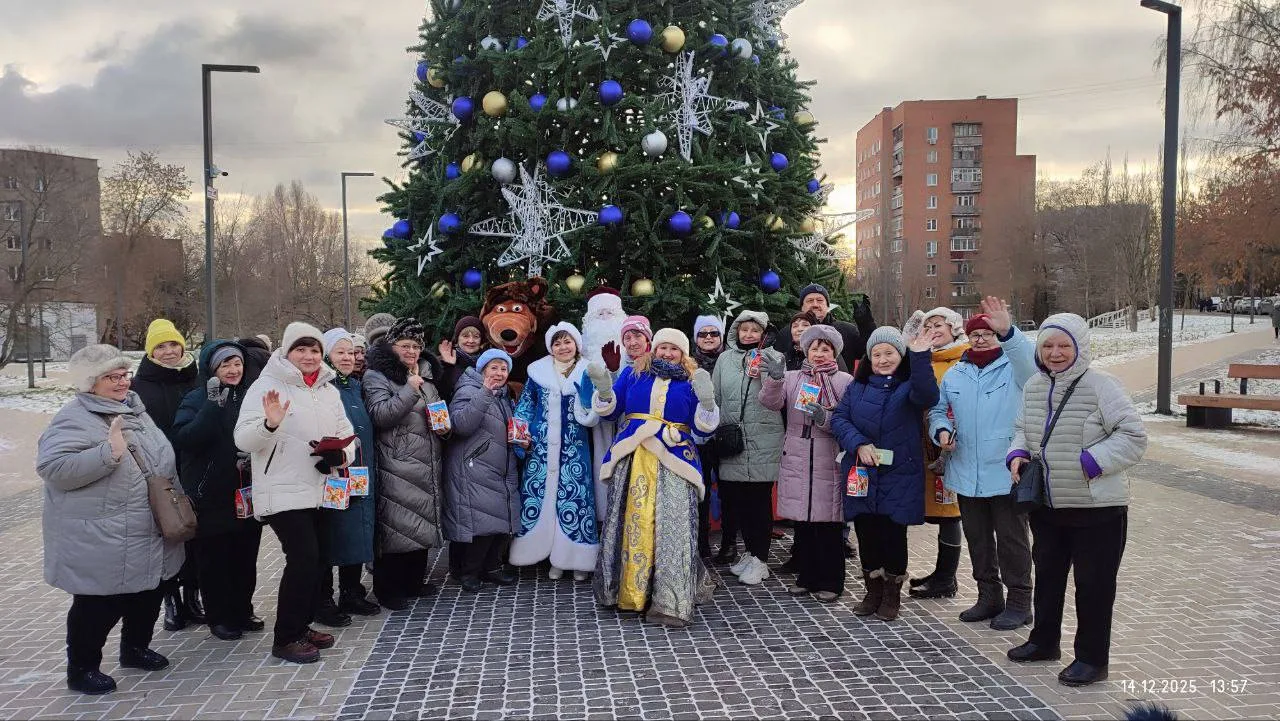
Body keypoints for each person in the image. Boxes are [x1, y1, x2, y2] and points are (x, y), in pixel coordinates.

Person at [1005, 313, 1147, 687]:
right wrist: (1017, 454)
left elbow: (1133, 436)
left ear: (1080, 347)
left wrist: (1092, 461)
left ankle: (1092, 659)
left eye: (1064, 345)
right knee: (1049, 578)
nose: (1055, 353)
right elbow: (1022, 429)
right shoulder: (1034, 387)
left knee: (1094, 587)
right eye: (1048, 345)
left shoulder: (1103, 386)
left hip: (1097, 508)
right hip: (1048, 505)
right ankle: (1044, 642)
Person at [38, 344, 186, 695]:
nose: (123, 382)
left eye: (124, 375)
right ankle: (82, 669)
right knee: (98, 603)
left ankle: (135, 649)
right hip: (102, 533)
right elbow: (53, 468)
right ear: (91, 383)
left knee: (149, 590)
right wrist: (108, 453)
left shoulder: (135, 411)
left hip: (148, 525)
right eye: (112, 377)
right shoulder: (74, 418)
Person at [235, 322, 355, 664]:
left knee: (316, 561)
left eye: (314, 350)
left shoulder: (328, 389)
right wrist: (269, 424)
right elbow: (243, 440)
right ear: (287, 352)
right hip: (281, 488)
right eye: (301, 349)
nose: (309, 356)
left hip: (319, 486)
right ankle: (285, 638)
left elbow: (346, 434)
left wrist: (339, 455)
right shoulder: (267, 385)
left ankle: (301, 626)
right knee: (302, 559)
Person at [590, 328, 720, 627]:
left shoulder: (692, 381)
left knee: (673, 527)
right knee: (630, 521)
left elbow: (702, 430)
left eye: (674, 349)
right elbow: (611, 413)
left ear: (683, 354)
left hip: (675, 458)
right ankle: (628, 594)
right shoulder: (634, 375)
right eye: (663, 348)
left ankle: (670, 602)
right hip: (634, 455)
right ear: (654, 349)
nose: (667, 353)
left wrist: (708, 406)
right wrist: (605, 392)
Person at [928, 299, 1037, 631]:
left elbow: (1033, 370)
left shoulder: (1014, 368)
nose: (980, 339)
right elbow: (938, 410)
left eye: (987, 333)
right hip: (966, 470)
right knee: (978, 539)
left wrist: (1010, 333)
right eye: (975, 333)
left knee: (1012, 540)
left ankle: (1020, 603)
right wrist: (941, 431)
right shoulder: (956, 373)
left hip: (1005, 471)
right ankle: (989, 597)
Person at [833, 326, 938, 622]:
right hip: (862, 472)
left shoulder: (909, 386)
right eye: (877, 354)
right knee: (867, 533)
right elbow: (839, 420)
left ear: (900, 354)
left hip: (899, 474)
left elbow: (928, 396)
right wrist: (859, 443)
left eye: (889, 353)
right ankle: (872, 592)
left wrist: (920, 358)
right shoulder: (858, 386)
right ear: (869, 357)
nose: (882, 359)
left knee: (893, 535)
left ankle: (892, 595)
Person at [171, 340, 264, 642]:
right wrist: (212, 406)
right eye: (226, 364)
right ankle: (219, 616)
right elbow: (187, 438)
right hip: (209, 494)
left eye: (237, 363)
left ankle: (242, 609)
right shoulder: (196, 399)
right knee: (215, 561)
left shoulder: (249, 397)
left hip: (245, 491)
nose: (233, 370)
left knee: (245, 556)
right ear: (212, 369)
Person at [759, 325, 854, 603]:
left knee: (828, 524)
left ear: (834, 352)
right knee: (804, 524)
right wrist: (775, 380)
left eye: (826, 349)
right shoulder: (792, 377)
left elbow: (847, 421)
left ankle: (832, 581)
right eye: (815, 348)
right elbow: (770, 402)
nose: (820, 353)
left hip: (828, 454)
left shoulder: (844, 381)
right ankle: (807, 576)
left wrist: (825, 418)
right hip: (797, 452)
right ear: (805, 351)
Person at [362, 317, 447, 611]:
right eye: (405, 345)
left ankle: (413, 581)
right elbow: (381, 415)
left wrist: (444, 425)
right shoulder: (376, 376)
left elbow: (435, 408)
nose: (411, 351)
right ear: (392, 345)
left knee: (420, 520)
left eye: (416, 346)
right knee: (395, 525)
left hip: (426, 457)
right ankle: (388, 589)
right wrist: (410, 389)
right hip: (395, 460)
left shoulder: (426, 374)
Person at [510, 322, 600, 579]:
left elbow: (593, 415)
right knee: (541, 500)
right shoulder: (537, 373)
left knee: (574, 500)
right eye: (557, 343)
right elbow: (525, 407)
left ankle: (576, 559)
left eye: (567, 341)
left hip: (575, 451)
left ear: (576, 345)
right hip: (539, 451)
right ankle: (546, 556)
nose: (563, 347)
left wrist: (587, 404)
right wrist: (520, 438)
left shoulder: (587, 372)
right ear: (551, 348)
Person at [131, 318, 203, 632]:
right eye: (161, 346)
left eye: (174, 344)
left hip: (195, 466)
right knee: (169, 535)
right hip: (160, 473)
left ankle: (193, 596)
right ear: (151, 351)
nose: (169, 351)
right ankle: (170, 600)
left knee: (196, 534)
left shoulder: (196, 378)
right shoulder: (139, 385)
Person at [712, 310, 785, 586]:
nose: (749, 335)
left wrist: (774, 376)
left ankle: (761, 559)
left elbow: (777, 401)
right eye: (744, 330)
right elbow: (717, 397)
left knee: (758, 503)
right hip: (732, 440)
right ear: (736, 332)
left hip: (762, 438)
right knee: (739, 502)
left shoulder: (774, 358)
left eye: (755, 330)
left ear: (764, 333)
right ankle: (750, 553)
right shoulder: (724, 359)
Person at [902, 307, 968, 601]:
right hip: (919, 445)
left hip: (948, 447)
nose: (933, 329)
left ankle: (946, 577)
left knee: (949, 512)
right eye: (928, 325)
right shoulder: (922, 358)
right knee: (932, 509)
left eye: (938, 324)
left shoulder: (962, 360)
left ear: (954, 328)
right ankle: (938, 574)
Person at [443, 349, 522, 592]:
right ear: (483, 369)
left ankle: (489, 567)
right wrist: (485, 392)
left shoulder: (502, 396)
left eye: (503, 368)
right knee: (481, 525)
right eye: (494, 367)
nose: (498, 373)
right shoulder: (469, 390)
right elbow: (461, 424)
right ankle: (469, 572)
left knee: (498, 521)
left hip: (498, 465)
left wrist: (521, 440)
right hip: (475, 465)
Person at [316, 329, 380, 625]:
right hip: (333, 475)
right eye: (340, 352)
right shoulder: (322, 388)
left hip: (360, 473)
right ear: (327, 355)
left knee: (357, 531)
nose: (348, 357)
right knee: (331, 535)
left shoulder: (354, 386)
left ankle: (352, 592)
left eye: (352, 352)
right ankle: (323, 599)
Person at [774, 283, 874, 374]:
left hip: (840, 390)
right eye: (810, 301)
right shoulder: (788, 333)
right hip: (798, 391)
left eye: (820, 300)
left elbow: (867, 352)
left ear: (827, 306)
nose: (815, 304)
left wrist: (866, 325)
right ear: (802, 307)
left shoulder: (847, 330)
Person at [691, 315, 728, 562]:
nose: (708, 338)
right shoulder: (688, 364)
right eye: (703, 334)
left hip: (725, 436)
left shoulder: (729, 362)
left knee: (729, 492)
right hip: (697, 438)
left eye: (713, 333)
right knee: (700, 492)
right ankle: (701, 542)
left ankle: (729, 544)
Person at [436, 315, 487, 401]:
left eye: (476, 336)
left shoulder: (488, 362)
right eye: (465, 336)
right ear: (457, 338)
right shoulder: (443, 361)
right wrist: (448, 366)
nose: (471, 341)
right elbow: (437, 395)